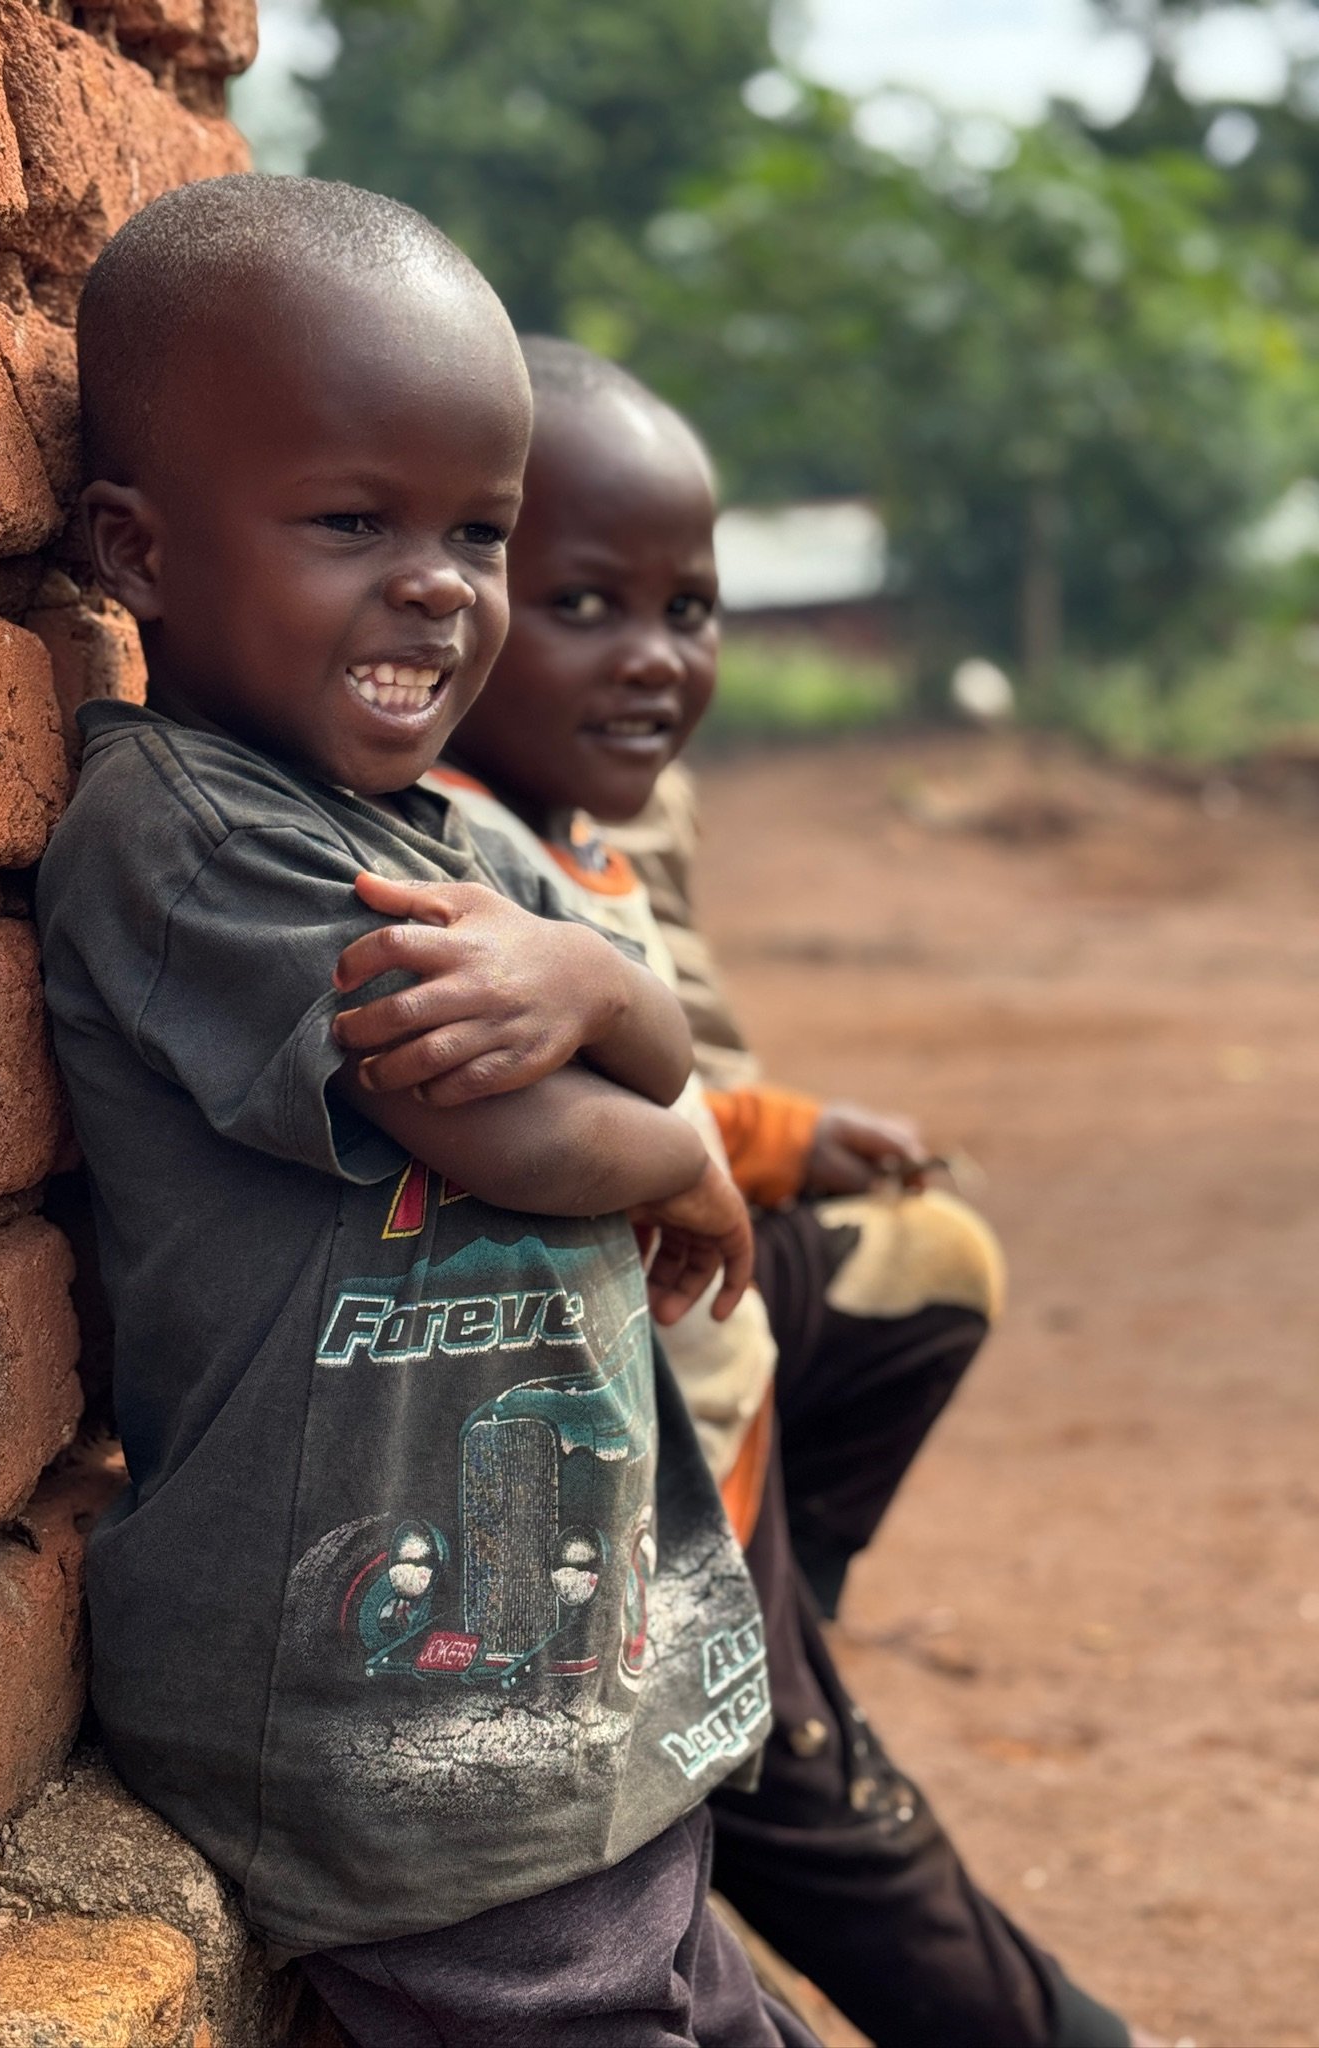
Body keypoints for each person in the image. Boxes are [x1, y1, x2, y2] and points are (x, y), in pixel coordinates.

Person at [36, 174, 823, 2048]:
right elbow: (513, 1129)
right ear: (134, 550)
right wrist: (690, 1149)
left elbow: (633, 1044)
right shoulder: (189, 832)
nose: (438, 585)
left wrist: (620, 1009)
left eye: (478, 528)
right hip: (389, 1719)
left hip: (563, 1697)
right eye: (350, 521)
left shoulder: (447, 830)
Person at [434, 333, 1155, 2048]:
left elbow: (663, 1080)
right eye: (588, 603)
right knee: (850, 1838)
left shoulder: (586, 832)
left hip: (706, 1430)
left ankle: (772, 1671)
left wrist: (772, 1134)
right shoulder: (460, 856)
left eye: (691, 609)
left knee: (930, 1268)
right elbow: (563, 1115)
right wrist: (710, 1144)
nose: (659, 661)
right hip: (631, 1492)